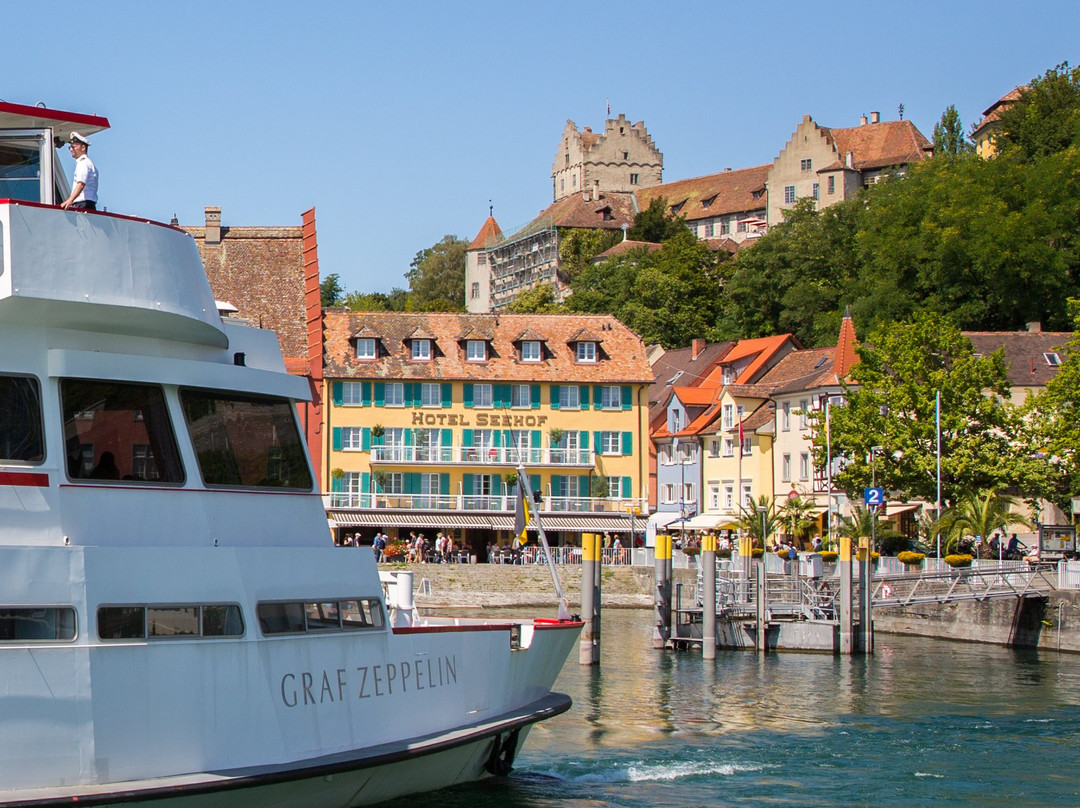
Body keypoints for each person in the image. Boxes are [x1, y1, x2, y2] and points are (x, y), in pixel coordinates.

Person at [60, 132, 98, 211]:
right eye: (70, 147)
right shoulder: (86, 162)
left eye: (73, 147)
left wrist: (69, 201)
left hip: (84, 204)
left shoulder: (83, 163)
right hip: (85, 203)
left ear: (83, 147)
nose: (71, 149)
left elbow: (81, 184)